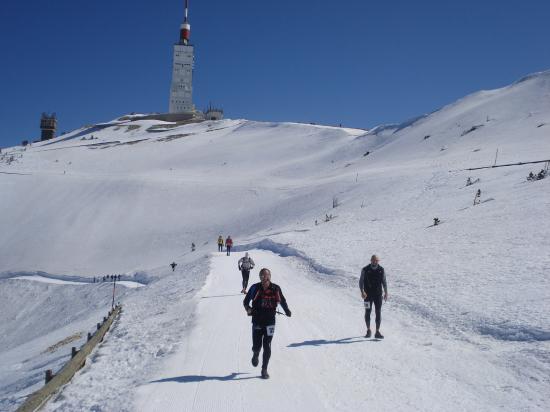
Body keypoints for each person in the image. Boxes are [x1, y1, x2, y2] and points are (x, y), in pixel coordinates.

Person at [243, 268, 291, 379]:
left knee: (267, 345)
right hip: (257, 320)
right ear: (260, 277)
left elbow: (282, 301)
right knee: (257, 345)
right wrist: (248, 309)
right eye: (263, 276)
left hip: (270, 321)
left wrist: (287, 310)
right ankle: (255, 353)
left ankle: (264, 369)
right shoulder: (254, 288)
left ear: (270, 277)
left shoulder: (276, 288)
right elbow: (245, 302)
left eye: (267, 275)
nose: (265, 277)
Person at [359, 255, 388, 339]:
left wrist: (386, 293)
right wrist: (362, 291)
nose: (375, 262)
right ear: (371, 260)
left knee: (378, 312)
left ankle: (377, 332)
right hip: (367, 295)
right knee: (367, 312)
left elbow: (384, 282)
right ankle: (368, 330)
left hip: (378, 295)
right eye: (373, 260)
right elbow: (361, 281)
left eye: (376, 261)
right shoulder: (365, 269)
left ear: (378, 261)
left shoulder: (381, 270)